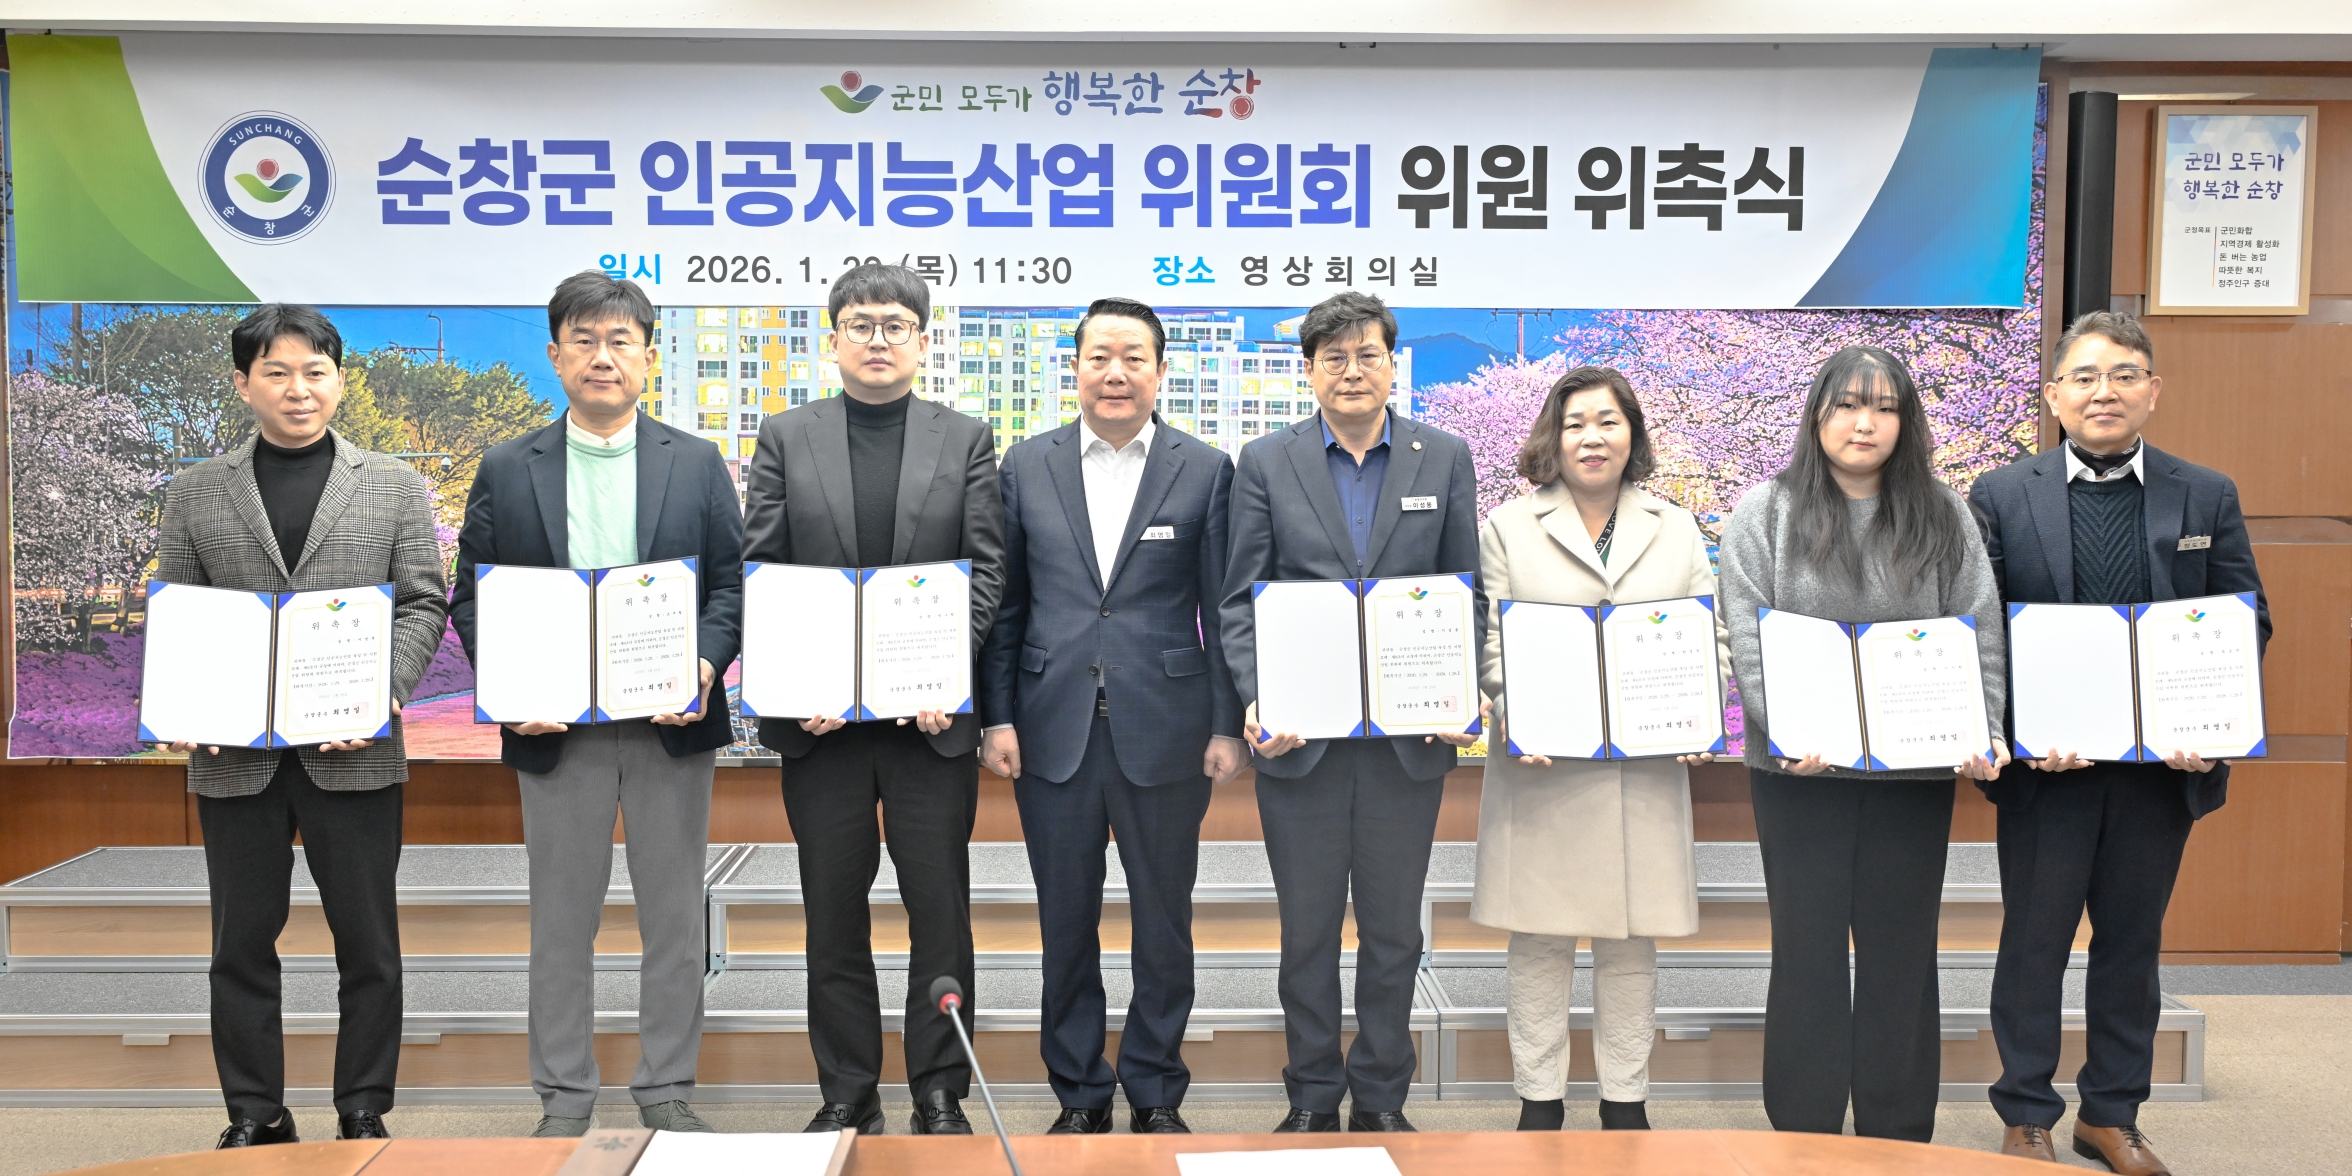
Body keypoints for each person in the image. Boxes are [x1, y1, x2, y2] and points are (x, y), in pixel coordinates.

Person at [1969, 311, 2268, 1173]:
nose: (2106, 391)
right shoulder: (2001, 493)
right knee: (2035, 943)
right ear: (2054, 395)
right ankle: (2027, 1112)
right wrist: (2020, 735)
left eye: (2125, 374)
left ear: (2153, 391)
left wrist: (2208, 725)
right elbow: (1983, 630)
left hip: (2156, 772)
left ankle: (2112, 1115)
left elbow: (2245, 618)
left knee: (2132, 945)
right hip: (2048, 771)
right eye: (2087, 376)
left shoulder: (2204, 493)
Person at [450, 271, 743, 1137]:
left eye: (621, 341)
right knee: (560, 922)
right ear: (556, 355)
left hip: (669, 727)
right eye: (584, 340)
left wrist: (704, 664)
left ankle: (666, 1087)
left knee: (673, 919)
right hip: (557, 732)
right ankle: (564, 1096)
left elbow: (730, 586)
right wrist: (511, 688)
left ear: (649, 356)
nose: (602, 357)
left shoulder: (696, 462)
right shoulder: (509, 467)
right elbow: (472, 595)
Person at [153, 304, 447, 1148]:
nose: (298, 389)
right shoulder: (196, 490)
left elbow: (424, 603)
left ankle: (363, 1105)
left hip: (354, 749)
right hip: (235, 755)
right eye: (276, 372)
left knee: (369, 943)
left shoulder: (392, 483)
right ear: (242, 383)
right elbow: (181, 613)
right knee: (240, 944)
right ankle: (255, 1112)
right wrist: (184, 702)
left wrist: (382, 692)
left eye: (315, 372)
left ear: (340, 381)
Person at [1718, 345, 2008, 1142]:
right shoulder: (1765, 512)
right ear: (1818, 415)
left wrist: (1981, 728)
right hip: (1798, 774)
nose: (1864, 422)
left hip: (1913, 774)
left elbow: (1978, 626)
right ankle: (1804, 1129)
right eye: (1847, 404)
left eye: (1883, 406)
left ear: (1905, 421)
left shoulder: (1941, 513)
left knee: (1901, 952)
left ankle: (1897, 1129)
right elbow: (1747, 636)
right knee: (1806, 948)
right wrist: (1788, 730)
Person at [741, 263, 1005, 1136]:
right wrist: (795, 678)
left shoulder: (965, 438)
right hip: (823, 730)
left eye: (896, 325)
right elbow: (763, 567)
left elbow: (987, 569)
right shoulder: (786, 436)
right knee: (832, 914)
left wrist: (942, 671)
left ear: (923, 341)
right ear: (834, 340)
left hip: (928, 725)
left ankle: (940, 1089)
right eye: (861, 325)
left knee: (941, 915)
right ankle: (848, 1089)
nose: (878, 339)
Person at [978, 298, 1246, 1135]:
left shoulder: (1205, 469)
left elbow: (1222, 607)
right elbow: (1008, 605)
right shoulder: (1027, 465)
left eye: (1134, 357)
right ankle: (1080, 1093)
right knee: (1066, 923)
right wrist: (996, 717)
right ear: (1076, 368)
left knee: (1164, 922)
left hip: (1167, 728)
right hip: (1050, 727)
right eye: (1099, 356)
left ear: (1161, 371)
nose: (1116, 372)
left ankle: (1156, 1090)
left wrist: (1227, 723)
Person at [1218, 291, 1481, 1133]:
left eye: (1369, 354)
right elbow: (1240, 599)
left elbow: (1465, 593)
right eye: (1334, 357)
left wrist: (1461, 690)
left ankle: (1381, 1098)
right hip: (1303, 743)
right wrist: (1258, 697)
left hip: (1407, 742)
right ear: (1310, 370)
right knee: (1307, 932)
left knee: (1395, 932)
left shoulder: (1444, 457)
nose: (1353, 370)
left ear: (1392, 364)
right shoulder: (1267, 461)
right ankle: (1310, 1095)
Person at [1469, 366, 1727, 1133]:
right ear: (1554, 436)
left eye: (1609, 421)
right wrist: (1519, 710)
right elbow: (1492, 642)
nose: (1592, 437)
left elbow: (1707, 634)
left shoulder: (1674, 526)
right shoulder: (1509, 526)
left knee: (1631, 943)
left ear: (1631, 434)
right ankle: (1538, 1101)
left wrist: (1696, 711)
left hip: (1642, 770)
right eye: (1576, 422)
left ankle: (1625, 1102)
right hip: (1544, 769)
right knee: (1538, 940)